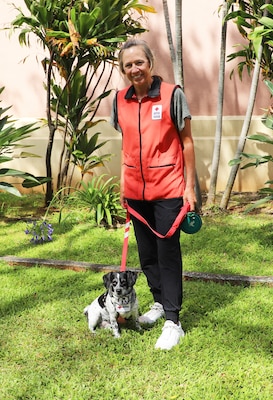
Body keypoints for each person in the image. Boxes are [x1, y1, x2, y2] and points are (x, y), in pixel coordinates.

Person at [111, 38, 197, 350]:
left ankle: (174, 321)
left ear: (150, 64)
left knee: (167, 252)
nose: (134, 69)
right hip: (135, 191)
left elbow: (187, 142)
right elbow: (127, 146)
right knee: (147, 255)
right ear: (123, 71)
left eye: (139, 62)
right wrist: (123, 184)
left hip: (168, 188)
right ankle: (159, 303)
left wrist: (189, 186)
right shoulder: (119, 99)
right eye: (128, 65)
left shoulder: (173, 95)